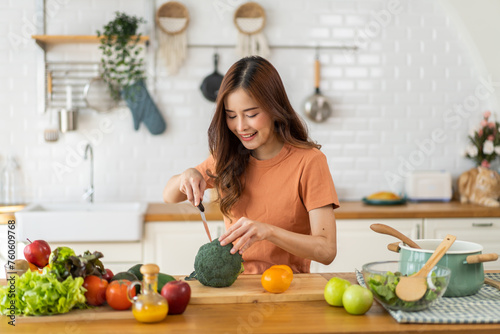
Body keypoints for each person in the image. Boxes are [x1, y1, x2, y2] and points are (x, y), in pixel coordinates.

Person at [163, 56, 339, 274]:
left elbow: (327, 250)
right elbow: (169, 196)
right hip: (235, 288)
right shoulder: (227, 157)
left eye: (251, 114)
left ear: (275, 107)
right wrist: (187, 175)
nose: (240, 126)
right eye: (231, 116)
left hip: (287, 289)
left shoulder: (309, 161)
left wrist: (268, 231)